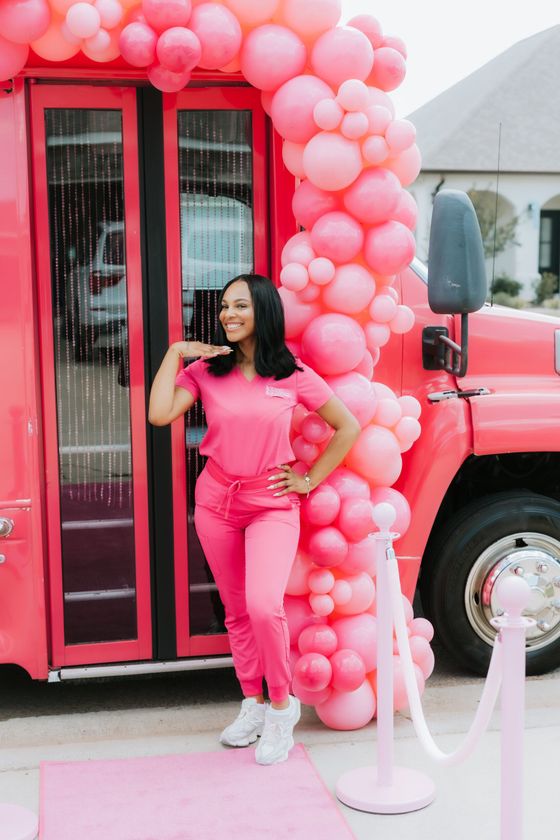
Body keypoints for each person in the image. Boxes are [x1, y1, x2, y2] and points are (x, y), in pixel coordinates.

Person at [148, 274, 360, 765]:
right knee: (238, 610)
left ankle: (282, 711)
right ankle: (252, 704)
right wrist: (176, 351)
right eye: (224, 307)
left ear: (263, 312)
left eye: (240, 305)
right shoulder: (206, 370)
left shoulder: (292, 373)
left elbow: (346, 426)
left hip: (271, 502)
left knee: (266, 606)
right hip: (217, 501)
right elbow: (160, 414)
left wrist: (308, 480)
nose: (229, 314)